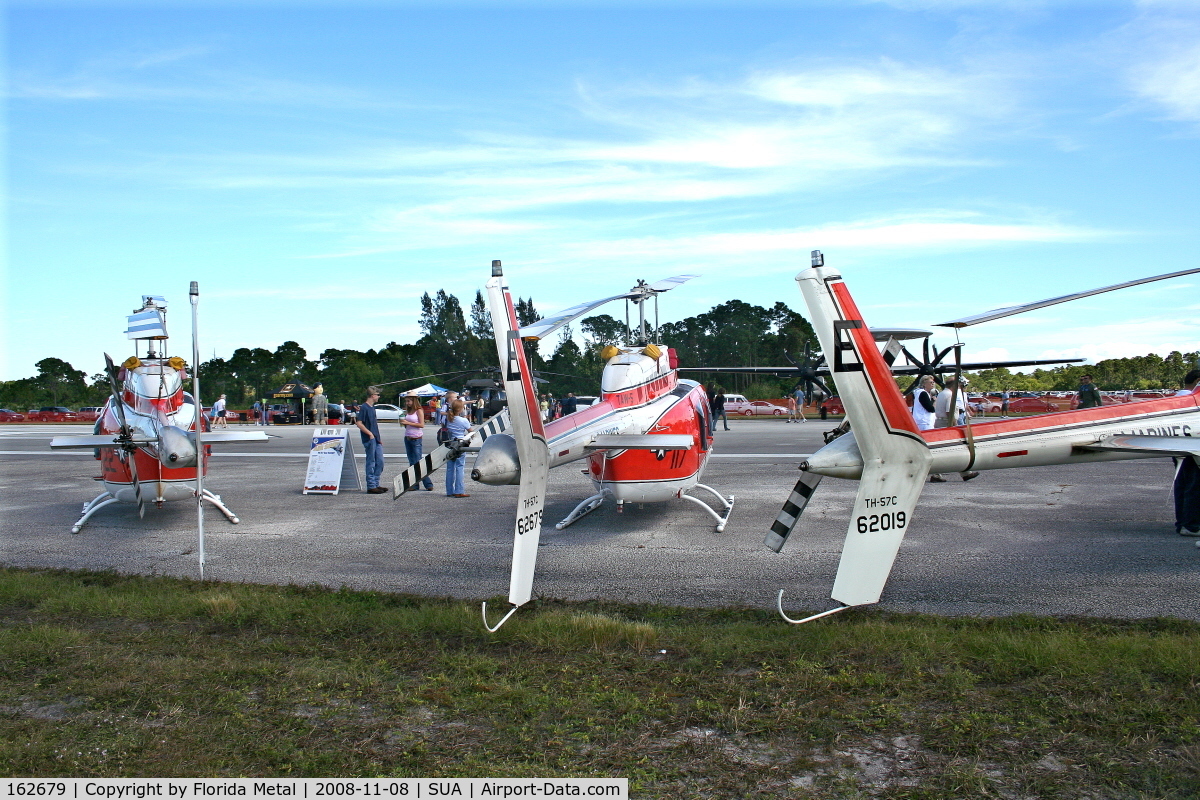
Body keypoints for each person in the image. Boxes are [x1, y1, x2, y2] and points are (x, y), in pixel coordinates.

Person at [931, 377, 979, 483]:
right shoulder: (950, 395)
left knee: (945, 449)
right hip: (946, 423)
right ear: (954, 385)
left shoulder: (943, 393)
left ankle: (963, 473)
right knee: (957, 448)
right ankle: (963, 473)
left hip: (941, 422)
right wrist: (954, 426)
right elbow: (950, 412)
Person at [1173, 370, 1200, 536]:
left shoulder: (1177, 397)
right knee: (1194, 485)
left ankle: (1183, 522)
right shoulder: (1191, 400)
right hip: (1191, 444)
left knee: (1182, 484)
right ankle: (1192, 525)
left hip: (1177, 445)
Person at [355, 386, 387, 494]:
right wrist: (369, 434)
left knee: (380, 461)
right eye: (377, 395)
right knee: (371, 461)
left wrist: (378, 438)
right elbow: (359, 423)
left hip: (376, 439)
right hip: (369, 439)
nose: (379, 397)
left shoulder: (372, 408)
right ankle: (371, 485)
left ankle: (376, 483)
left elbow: (374, 425)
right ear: (373, 395)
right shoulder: (364, 407)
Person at [401, 394, 434, 491]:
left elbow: (421, 424)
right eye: (406, 401)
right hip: (408, 437)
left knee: (418, 462)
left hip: (416, 438)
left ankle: (428, 483)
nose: (407, 403)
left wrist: (408, 423)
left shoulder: (419, 410)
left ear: (414, 401)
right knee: (412, 462)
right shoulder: (408, 411)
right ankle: (415, 485)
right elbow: (407, 424)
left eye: (409, 401)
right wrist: (404, 424)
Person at [444, 398, 472, 497]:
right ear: (460, 410)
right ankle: (459, 491)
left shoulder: (449, 419)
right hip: (461, 444)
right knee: (460, 467)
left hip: (451, 443)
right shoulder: (463, 420)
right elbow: (471, 431)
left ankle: (449, 491)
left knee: (450, 468)